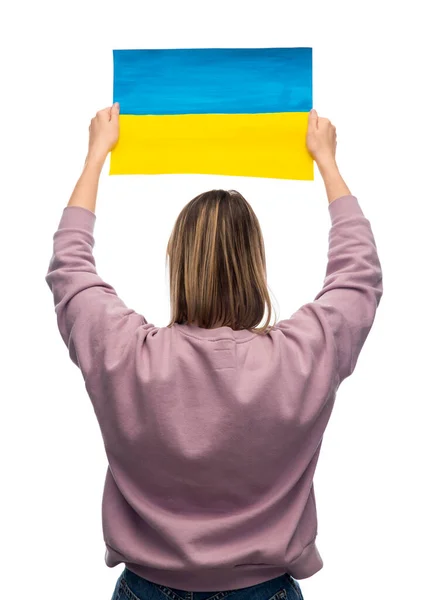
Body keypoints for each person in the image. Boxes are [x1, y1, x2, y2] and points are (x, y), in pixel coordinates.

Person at [45, 106, 383, 600]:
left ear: (177, 261)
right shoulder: (303, 356)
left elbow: (69, 267)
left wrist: (97, 155)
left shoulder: (125, 353)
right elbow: (360, 275)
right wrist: (327, 163)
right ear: (255, 265)